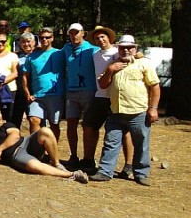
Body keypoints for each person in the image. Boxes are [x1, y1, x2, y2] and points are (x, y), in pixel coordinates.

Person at [90, 35, 160, 186]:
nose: (126, 50)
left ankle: (140, 173)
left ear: (135, 49)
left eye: (130, 47)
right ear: (118, 48)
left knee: (141, 144)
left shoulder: (144, 64)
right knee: (110, 142)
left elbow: (155, 86)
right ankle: (105, 172)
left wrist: (153, 108)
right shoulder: (113, 63)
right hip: (116, 111)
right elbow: (102, 85)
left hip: (138, 112)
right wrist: (110, 70)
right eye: (123, 47)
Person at [0, 109, 88, 184]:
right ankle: (71, 174)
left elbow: (15, 136)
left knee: (45, 131)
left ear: (1, 119)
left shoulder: (6, 125)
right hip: (15, 156)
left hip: (26, 143)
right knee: (33, 166)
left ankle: (56, 163)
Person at [86, 26, 134, 176]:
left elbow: (135, 57)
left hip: (115, 97)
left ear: (109, 38)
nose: (100, 40)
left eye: (103, 37)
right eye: (97, 38)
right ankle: (88, 160)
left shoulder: (118, 52)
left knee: (124, 131)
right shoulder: (95, 55)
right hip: (100, 96)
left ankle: (129, 165)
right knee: (88, 126)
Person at [61, 23, 100, 168]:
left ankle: (89, 158)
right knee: (71, 124)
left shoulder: (93, 49)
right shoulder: (66, 49)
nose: (74, 35)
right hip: (71, 91)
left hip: (89, 91)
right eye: (71, 33)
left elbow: (109, 53)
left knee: (89, 126)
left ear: (83, 33)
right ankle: (73, 155)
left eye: (77, 32)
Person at [22, 28, 65, 140]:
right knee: (34, 120)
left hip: (55, 95)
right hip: (37, 96)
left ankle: (52, 150)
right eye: (42, 37)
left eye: (47, 37)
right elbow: (25, 76)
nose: (44, 39)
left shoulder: (60, 53)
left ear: (52, 38)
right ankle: (35, 150)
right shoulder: (32, 56)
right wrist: (27, 93)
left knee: (54, 124)